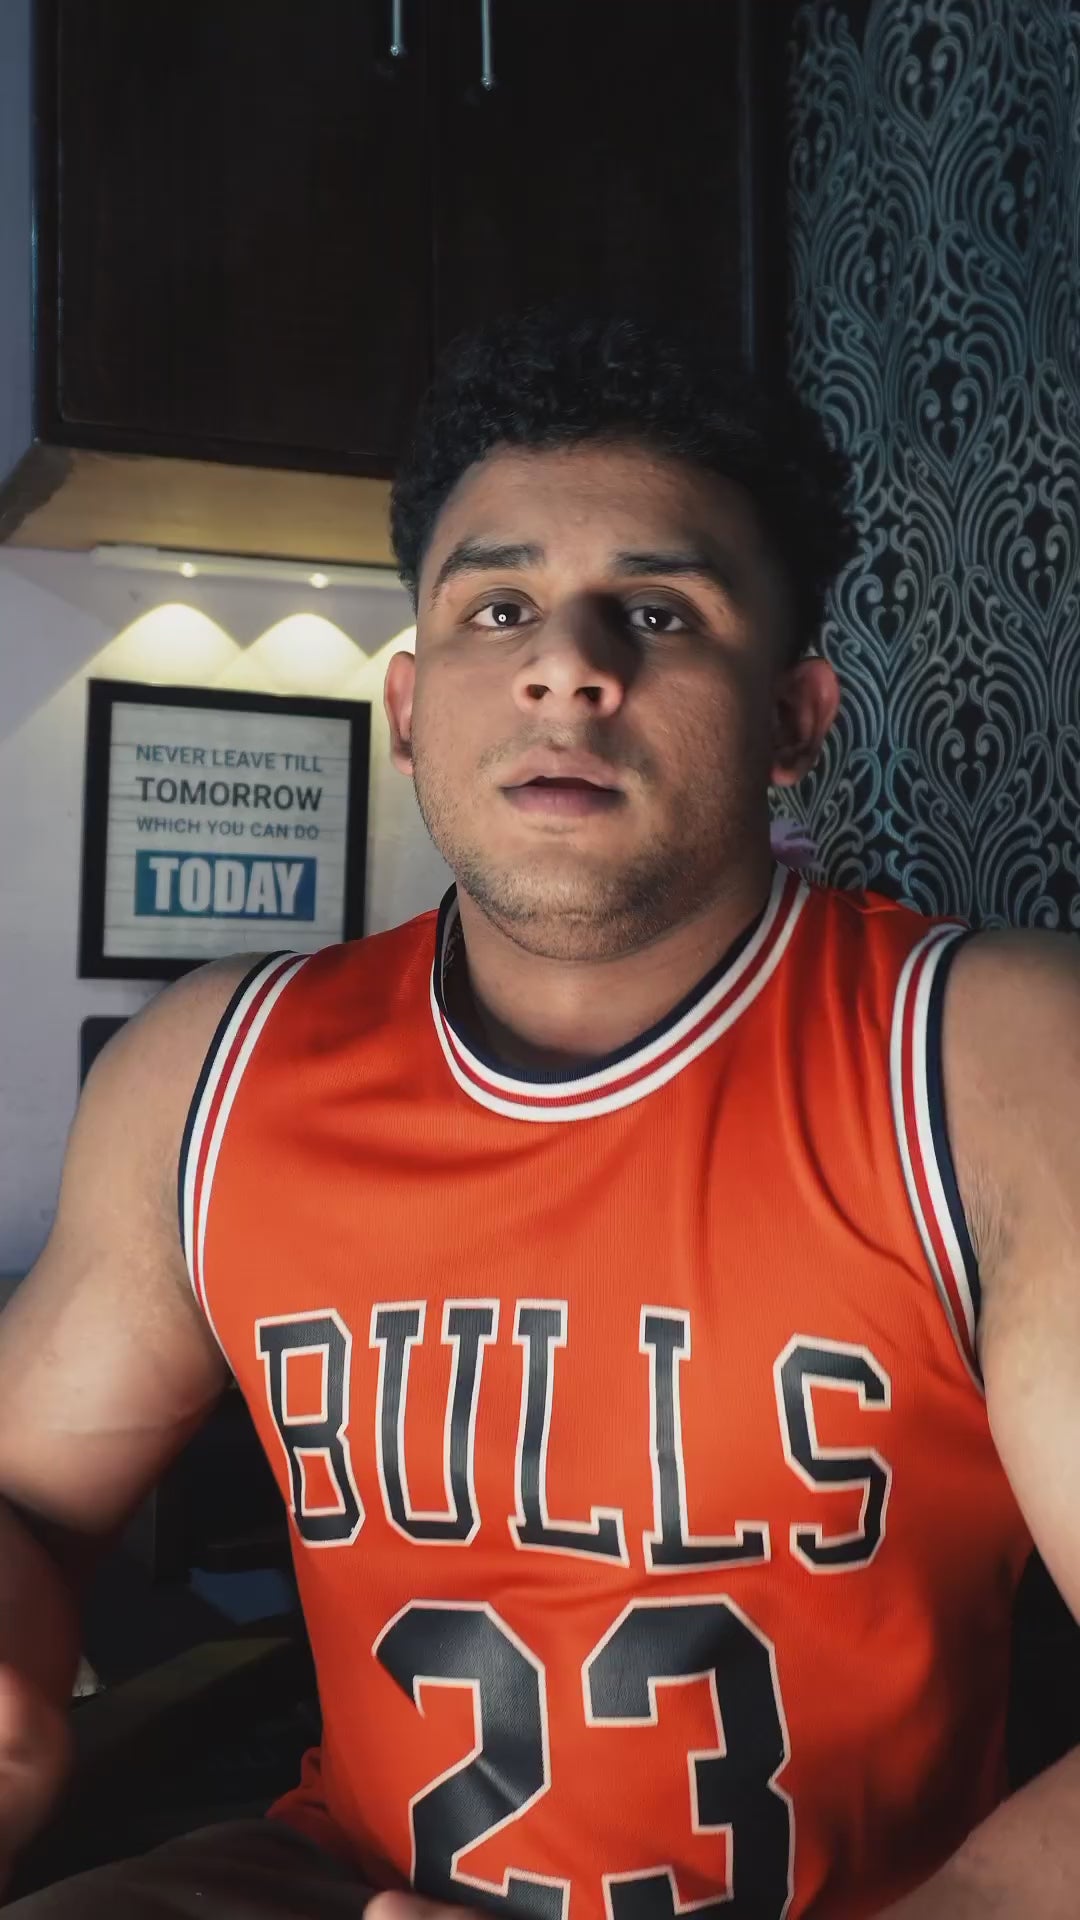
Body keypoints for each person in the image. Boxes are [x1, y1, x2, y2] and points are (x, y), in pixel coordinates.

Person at [1, 304, 1078, 1920]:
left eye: (658, 610)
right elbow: (25, 1496)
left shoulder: (989, 1059)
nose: (567, 664)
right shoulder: (204, 1072)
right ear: (412, 705)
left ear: (794, 720)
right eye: (499, 604)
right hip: (346, 1877)